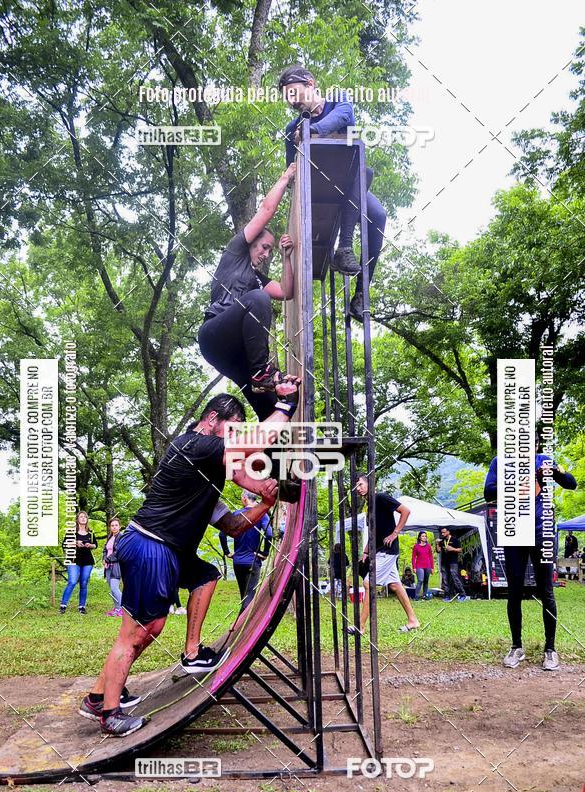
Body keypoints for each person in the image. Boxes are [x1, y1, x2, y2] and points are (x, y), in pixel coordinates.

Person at [79, 385, 300, 736]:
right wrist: (285, 405)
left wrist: (266, 501)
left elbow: (233, 525)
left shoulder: (204, 480)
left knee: (205, 575)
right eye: (232, 428)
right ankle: (108, 713)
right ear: (211, 419)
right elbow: (251, 443)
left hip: (169, 550)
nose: (235, 437)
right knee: (140, 631)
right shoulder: (194, 445)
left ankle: (188, 655)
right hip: (150, 544)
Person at [278, 65, 387, 323]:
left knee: (378, 214)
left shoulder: (339, 101)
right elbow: (291, 170)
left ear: (310, 83)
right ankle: (345, 246)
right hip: (318, 189)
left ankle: (360, 294)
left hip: (348, 184)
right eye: (287, 98)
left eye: (293, 93)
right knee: (364, 174)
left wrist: (311, 131)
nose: (292, 102)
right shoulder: (292, 127)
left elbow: (344, 116)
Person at [198, 164, 299, 421]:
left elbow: (286, 291)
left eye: (270, 251)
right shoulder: (235, 253)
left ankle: (270, 450)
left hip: (237, 355)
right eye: (263, 247)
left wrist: (286, 257)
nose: (266, 254)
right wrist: (286, 177)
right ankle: (261, 372)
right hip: (215, 336)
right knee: (258, 298)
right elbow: (266, 210)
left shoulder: (258, 280)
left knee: (275, 407)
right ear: (250, 242)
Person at [484, 439, 577, 670]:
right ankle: (516, 647)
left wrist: (555, 472)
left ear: (535, 445)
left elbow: (571, 483)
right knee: (514, 591)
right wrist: (515, 483)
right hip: (514, 531)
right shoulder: (500, 462)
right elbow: (488, 492)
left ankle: (550, 649)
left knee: (546, 591)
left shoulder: (544, 460)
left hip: (541, 532)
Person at [355, 476, 420, 634]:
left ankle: (360, 626)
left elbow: (406, 511)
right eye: (356, 486)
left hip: (387, 550)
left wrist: (395, 533)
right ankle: (413, 620)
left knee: (368, 583)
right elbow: (373, 533)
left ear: (369, 483)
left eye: (360, 484)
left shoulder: (381, 497)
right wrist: (365, 552)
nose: (358, 488)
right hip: (378, 550)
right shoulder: (369, 506)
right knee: (395, 585)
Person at [219, 490, 273, 612]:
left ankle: (242, 622)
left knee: (245, 597)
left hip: (238, 561)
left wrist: (227, 552)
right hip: (253, 560)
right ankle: (242, 622)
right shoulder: (261, 514)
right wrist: (265, 553)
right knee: (249, 598)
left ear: (244, 498)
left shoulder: (236, 514)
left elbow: (222, 534)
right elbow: (269, 534)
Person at [60, 511, 97, 615]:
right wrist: (75, 543)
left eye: (85, 517)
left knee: (84, 583)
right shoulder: (71, 532)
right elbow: (64, 544)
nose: (83, 518)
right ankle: (63, 605)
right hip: (73, 560)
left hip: (87, 561)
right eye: (81, 517)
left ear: (87, 519)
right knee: (72, 581)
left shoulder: (91, 533)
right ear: (77, 519)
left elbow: (95, 545)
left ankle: (82, 607)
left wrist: (90, 545)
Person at [436, 528, 468, 602]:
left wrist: (452, 549)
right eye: (441, 533)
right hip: (444, 563)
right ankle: (447, 596)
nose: (442, 534)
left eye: (444, 532)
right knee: (445, 579)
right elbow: (438, 551)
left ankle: (462, 594)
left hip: (453, 562)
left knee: (455, 578)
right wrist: (437, 544)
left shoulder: (454, 540)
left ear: (448, 532)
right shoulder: (442, 541)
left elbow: (460, 550)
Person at [103, 517, 123, 617]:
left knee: (115, 588)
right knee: (112, 589)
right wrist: (104, 559)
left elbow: (119, 552)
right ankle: (117, 608)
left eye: (116, 525)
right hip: (108, 567)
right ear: (110, 527)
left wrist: (107, 559)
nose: (114, 527)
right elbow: (105, 550)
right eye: (112, 525)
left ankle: (124, 609)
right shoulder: (110, 537)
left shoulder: (121, 537)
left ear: (120, 526)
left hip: (116, 566)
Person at [412, 531, 434, 600]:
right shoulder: (416, 546)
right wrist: (414, 567)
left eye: (425, 536)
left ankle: (424, 595)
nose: (424, 537)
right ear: (419, 537)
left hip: (428, 566)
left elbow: (431, 557)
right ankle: (416, 596)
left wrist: (432, 567)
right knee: (420, 580)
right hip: (419, 566)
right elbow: (413, 557)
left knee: (426, 581)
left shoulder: (428, 546)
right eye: (423, 536)